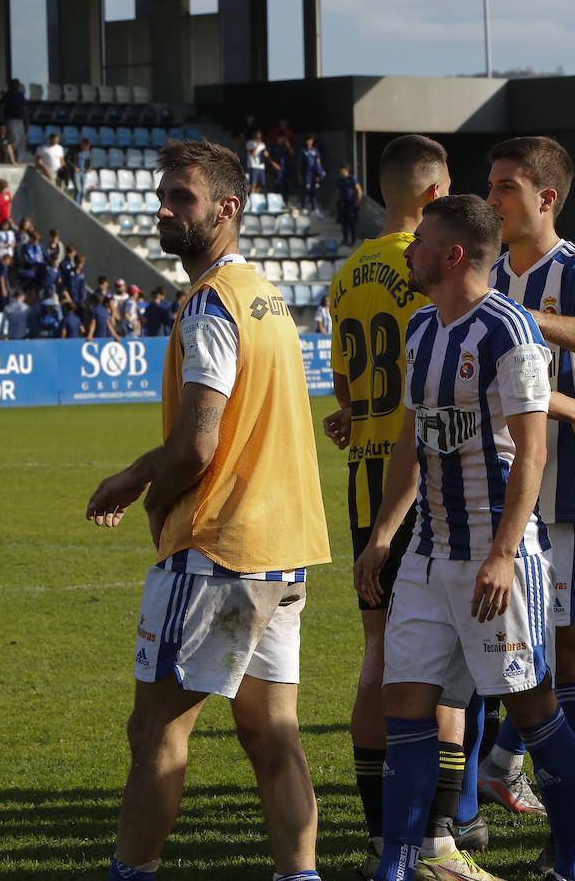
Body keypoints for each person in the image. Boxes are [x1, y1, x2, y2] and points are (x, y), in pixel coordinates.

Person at [86, 138, 330, 881]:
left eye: (180, 198)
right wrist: (139, 471)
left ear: (226, 208)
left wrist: (152, 497)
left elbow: (197, 444)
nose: (163, 208)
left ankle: (132, 873)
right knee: (271, 732)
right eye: (163, 194)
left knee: (156, 727)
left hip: (221, 549)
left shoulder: (211, 305)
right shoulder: (262, 292)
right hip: (282, 547)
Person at [356, 193, 575, 881]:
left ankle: (574, 860)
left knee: (531, 705)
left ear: (453, 254)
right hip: (428, 553)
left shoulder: (510, 331)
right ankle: (397, 867)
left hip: (498, 554)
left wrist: (501, 554)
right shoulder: (422, 326)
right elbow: (410, 444)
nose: (409, 249)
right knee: (405, 703)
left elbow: (532, 452)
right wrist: (382, 537)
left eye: (421, 239)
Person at [320, 136, 484, 874]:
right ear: (437, 190)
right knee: (445, 667)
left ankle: (384, 835)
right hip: (428, 481)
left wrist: (357, 418)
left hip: (365, 481)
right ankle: (441, 840)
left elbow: (349, 399)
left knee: (379, 657)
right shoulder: (431, 264)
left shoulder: (348, 274)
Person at [478, 136, 575, 835]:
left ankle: (572, 815)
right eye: (491, 185)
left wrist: (517, 321)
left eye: (507, 186)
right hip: (492, 493)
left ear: (546, 197)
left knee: (571, 651)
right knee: (490, 650)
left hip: (565, 495)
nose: (493, 198)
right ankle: (478, 793)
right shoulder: (486, 269)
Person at [337, 163, 362, 247]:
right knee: (344, 223)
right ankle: (345, 239)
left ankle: (353, 241)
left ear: (346, 169)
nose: (340, 171)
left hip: (351, 204)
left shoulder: (351, 178)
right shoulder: (340, 179)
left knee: (352, 224)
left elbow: (359, 190)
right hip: (343, 204)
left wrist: (357, 202)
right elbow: (338, 193)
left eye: (342, 169)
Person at [300, 136, 325, 213]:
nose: (309, 142)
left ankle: (314, 207)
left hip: (314, 174)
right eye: (307, 140)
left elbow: (318, 162)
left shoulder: (315, 151)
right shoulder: (303, 151)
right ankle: (304, 207)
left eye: (310, 140)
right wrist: (299, 174)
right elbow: (300, 163)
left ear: (312, 141)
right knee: (306, 189)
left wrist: (319, 174)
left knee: (314, 191)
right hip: (307, 174)